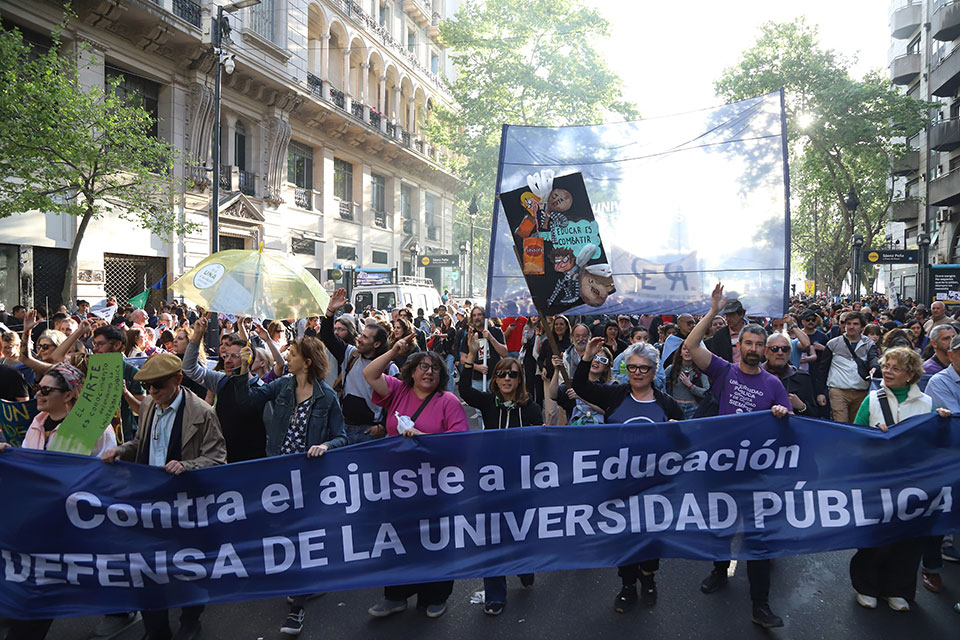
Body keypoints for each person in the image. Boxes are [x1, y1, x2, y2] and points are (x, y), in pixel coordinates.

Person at [683, 282, 793, 629]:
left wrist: (781, 414)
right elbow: (691, 345)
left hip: (758, 475)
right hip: (723, 469)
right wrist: (713, 311)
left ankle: (760, 604)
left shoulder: (774, 385)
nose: (755, 348)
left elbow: (788, 425)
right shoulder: (723, 372)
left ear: (764, 350)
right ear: (739, 346)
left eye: (760, 344)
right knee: (720, 528)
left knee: (758, 538)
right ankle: (719, 571)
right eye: (749, 342)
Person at [100, 353, 226, 640]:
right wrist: (121, 450)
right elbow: (140, 442)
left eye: (158, 385)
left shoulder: (203, 412)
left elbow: (218, 460)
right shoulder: (147, 405)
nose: (152, 392)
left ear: (178, 380)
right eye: (148, 387)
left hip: (185, 506)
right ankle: (156, 630)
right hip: (147, 504)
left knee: (188, 568)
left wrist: (187, 465)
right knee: (145, 568)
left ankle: (191, 621)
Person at [229, 337, 346, 636]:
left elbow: (342, 437)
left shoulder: (328, 397)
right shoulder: (281, 386)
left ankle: (298, 607)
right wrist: (244, 367)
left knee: (302, 538)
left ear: (307, 362)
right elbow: (247, 401)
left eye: (292, 354)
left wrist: (325, 445)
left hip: (308, 479)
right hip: (277, 477)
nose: (287, 357)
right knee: (283, 533)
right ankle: (305, 585)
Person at [572, 336, 683, 613]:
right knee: (624, 536)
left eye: (643, 368)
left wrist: (675, 433)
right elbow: (580, 386)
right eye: (632, 367)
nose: (637, 373)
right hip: (619, 484)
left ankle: (648, 578)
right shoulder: (616, 394)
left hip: (654, 487)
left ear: (654, 371)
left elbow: (686, 443)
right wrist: (587, 356)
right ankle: (627, 586)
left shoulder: (667, 404)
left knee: (650, 537)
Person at [364, 335, 468, 619]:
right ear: (410, 372)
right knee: (398, 540)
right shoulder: (397, 391)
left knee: (434, 541)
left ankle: (434, 596)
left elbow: (460, 443)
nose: (428, 371)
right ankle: (395, 595)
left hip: (435, 487)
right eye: (422, 366)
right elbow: (369, 373)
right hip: (397, 486)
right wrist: (393, 351)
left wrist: (423, 438)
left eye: (434, 368)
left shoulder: (448, 401)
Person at [850, 346, 951, 612]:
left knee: (907, 538)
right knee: (876, 536)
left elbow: (932, 443)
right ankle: (867, 587)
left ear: (910, 374)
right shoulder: (872, 400)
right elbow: (855, 437)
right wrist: (873, 437)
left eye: (895, 367)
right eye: (886, 366)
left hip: (912, 482)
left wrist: (943, 423)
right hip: (877, 480)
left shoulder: (927, 404)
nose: (888, 371)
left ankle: (897, 589)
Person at [460, 339, 542, 615]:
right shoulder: (487, 402)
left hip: (521, 483)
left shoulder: (530, 408)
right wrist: (470, 356)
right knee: (491, 537)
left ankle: (525, 565)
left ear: (520, 380)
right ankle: (495, 595)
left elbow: (542, 445)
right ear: (495, 379)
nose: (507, 378)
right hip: (491, 483)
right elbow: (463, 390)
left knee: (520, 534)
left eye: (513, 374)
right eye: (502, 374)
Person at [182, 317, 267, 462]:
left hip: (253, 464)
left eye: (235, 357)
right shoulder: (221, 381)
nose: (227, 361)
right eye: (226, 356)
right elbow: (190, 368)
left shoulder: (262, 389)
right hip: (223, 459)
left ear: (249, 359)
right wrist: (197, 336)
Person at [321, 289, 398, 444]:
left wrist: (382, 426)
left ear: (376, 344)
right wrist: (330, 311)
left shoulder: (389, 368)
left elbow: (398, 401)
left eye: (364, 337)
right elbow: (327, 337)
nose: (359, 339)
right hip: (345, 428)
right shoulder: (350, 354)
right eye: (361, 334)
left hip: (370, 434)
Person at [816, 312, 880, 423]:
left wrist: (874, 367)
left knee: (856, 424)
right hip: (838, 390)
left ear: (861, 327)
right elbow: (823, 369)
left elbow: (873, 358)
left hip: (861, 390)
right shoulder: (833, 344)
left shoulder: (869, 344)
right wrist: (820, 392)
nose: (851, 327)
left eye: (855, 324)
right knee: (842, 424)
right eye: (848, 323)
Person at [761, 333, 817, 417]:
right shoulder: (753, 376)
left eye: (785, 349)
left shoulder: (802, 378)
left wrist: (802, 406)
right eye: (774, 349)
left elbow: (815, 415)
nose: (780, 353)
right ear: (766, 352)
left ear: (790, 352)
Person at [557, 344, 615, 424]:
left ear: (607, 367)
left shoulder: (611, 386)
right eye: (594, 357)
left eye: (603, 360)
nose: (597, 361)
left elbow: (606, 411)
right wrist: (556, 370)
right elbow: (553, 395)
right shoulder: (574, 384)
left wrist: (580, 397)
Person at [664, 344, 709, 419]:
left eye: (690, 349)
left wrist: (690, 386)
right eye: (684, 349)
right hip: (676, 407)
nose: (687, 351)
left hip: (693, 408)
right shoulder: (672, 368)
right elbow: (660, 382)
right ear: (680, 353)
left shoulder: (700, 370)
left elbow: (706, 392)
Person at [705, 297, 747, 363]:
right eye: (727, 315)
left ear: (742, 314)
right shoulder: (720, 335)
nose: (728, 318)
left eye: (732, 315)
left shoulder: (753, 332)